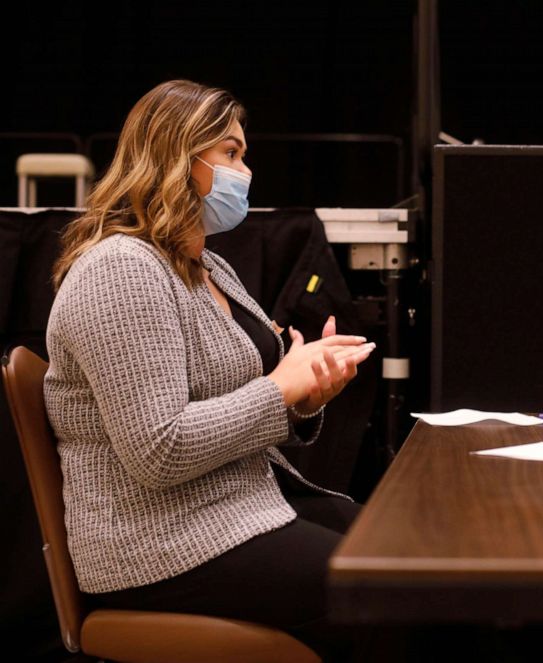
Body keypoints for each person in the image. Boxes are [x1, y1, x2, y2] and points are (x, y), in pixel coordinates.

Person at [44, 80, 375, 658]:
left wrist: (304, 395)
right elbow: (158, 448)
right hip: (157, 546)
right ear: (176, 158)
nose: (243, 172)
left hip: (238, 507)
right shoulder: (119, 269)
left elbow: (251, 400)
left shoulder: (207, 266)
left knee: (413, 558)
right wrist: (279, 389)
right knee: (396, 597)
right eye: (230, 153)